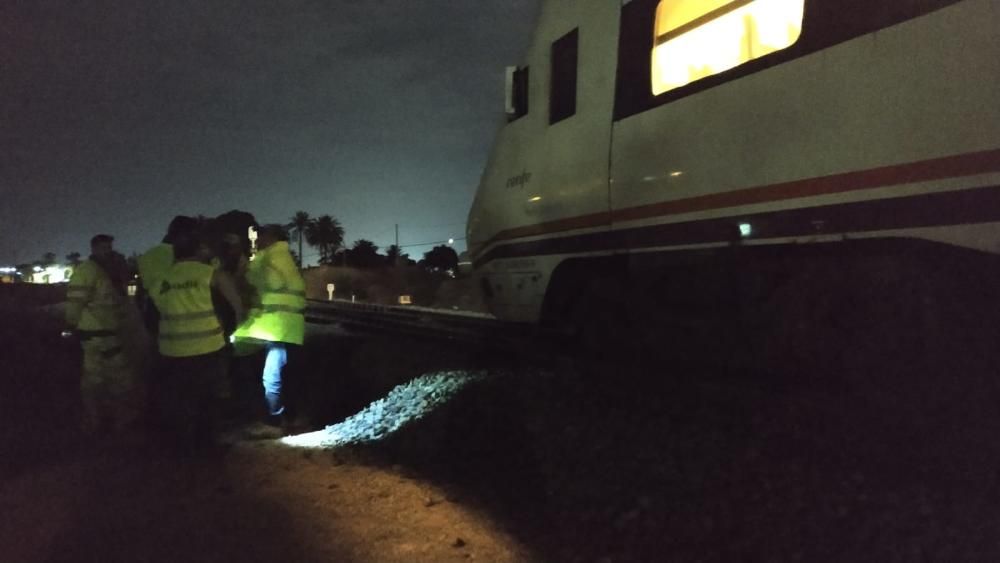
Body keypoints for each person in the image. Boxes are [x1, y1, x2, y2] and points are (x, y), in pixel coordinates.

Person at [155, 230, 244, 450]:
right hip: (208, 347)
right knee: (210, 398)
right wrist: (232, 330)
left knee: (180, 398)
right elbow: (237, 306)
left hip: (171, 349)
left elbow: (155, 312)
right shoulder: (212, 274)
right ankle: (207, 445)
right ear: (198, 250)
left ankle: (180, 445)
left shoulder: (161, 279)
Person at [65, 234, 141, 437]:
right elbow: (75, 303)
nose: (108, 251)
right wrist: (70, 327)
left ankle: (115, 420)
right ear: (94, 249)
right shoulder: (87, 271)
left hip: (111, 336)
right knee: (96, 381)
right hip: (95, 337)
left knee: (116, 381)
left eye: (110, 247)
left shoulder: (108, 272)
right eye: (104, 247)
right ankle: (96, 421)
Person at [232, 224, 306, 430]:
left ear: (272, 237)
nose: (259, 238)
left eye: (262, 234)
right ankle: (286, 416)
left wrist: (243, 267)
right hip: (286, 327)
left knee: (269, 376)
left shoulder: (269, 258)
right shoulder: (285, 257)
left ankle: (274, 418)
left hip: (274, 325)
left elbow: (250, 280)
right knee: (280, 374)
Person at [136, 215, 199, 334]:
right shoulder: (183, 253)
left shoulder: (147, 255)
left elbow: (142, 286)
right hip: (179, 304)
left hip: (153, 306)